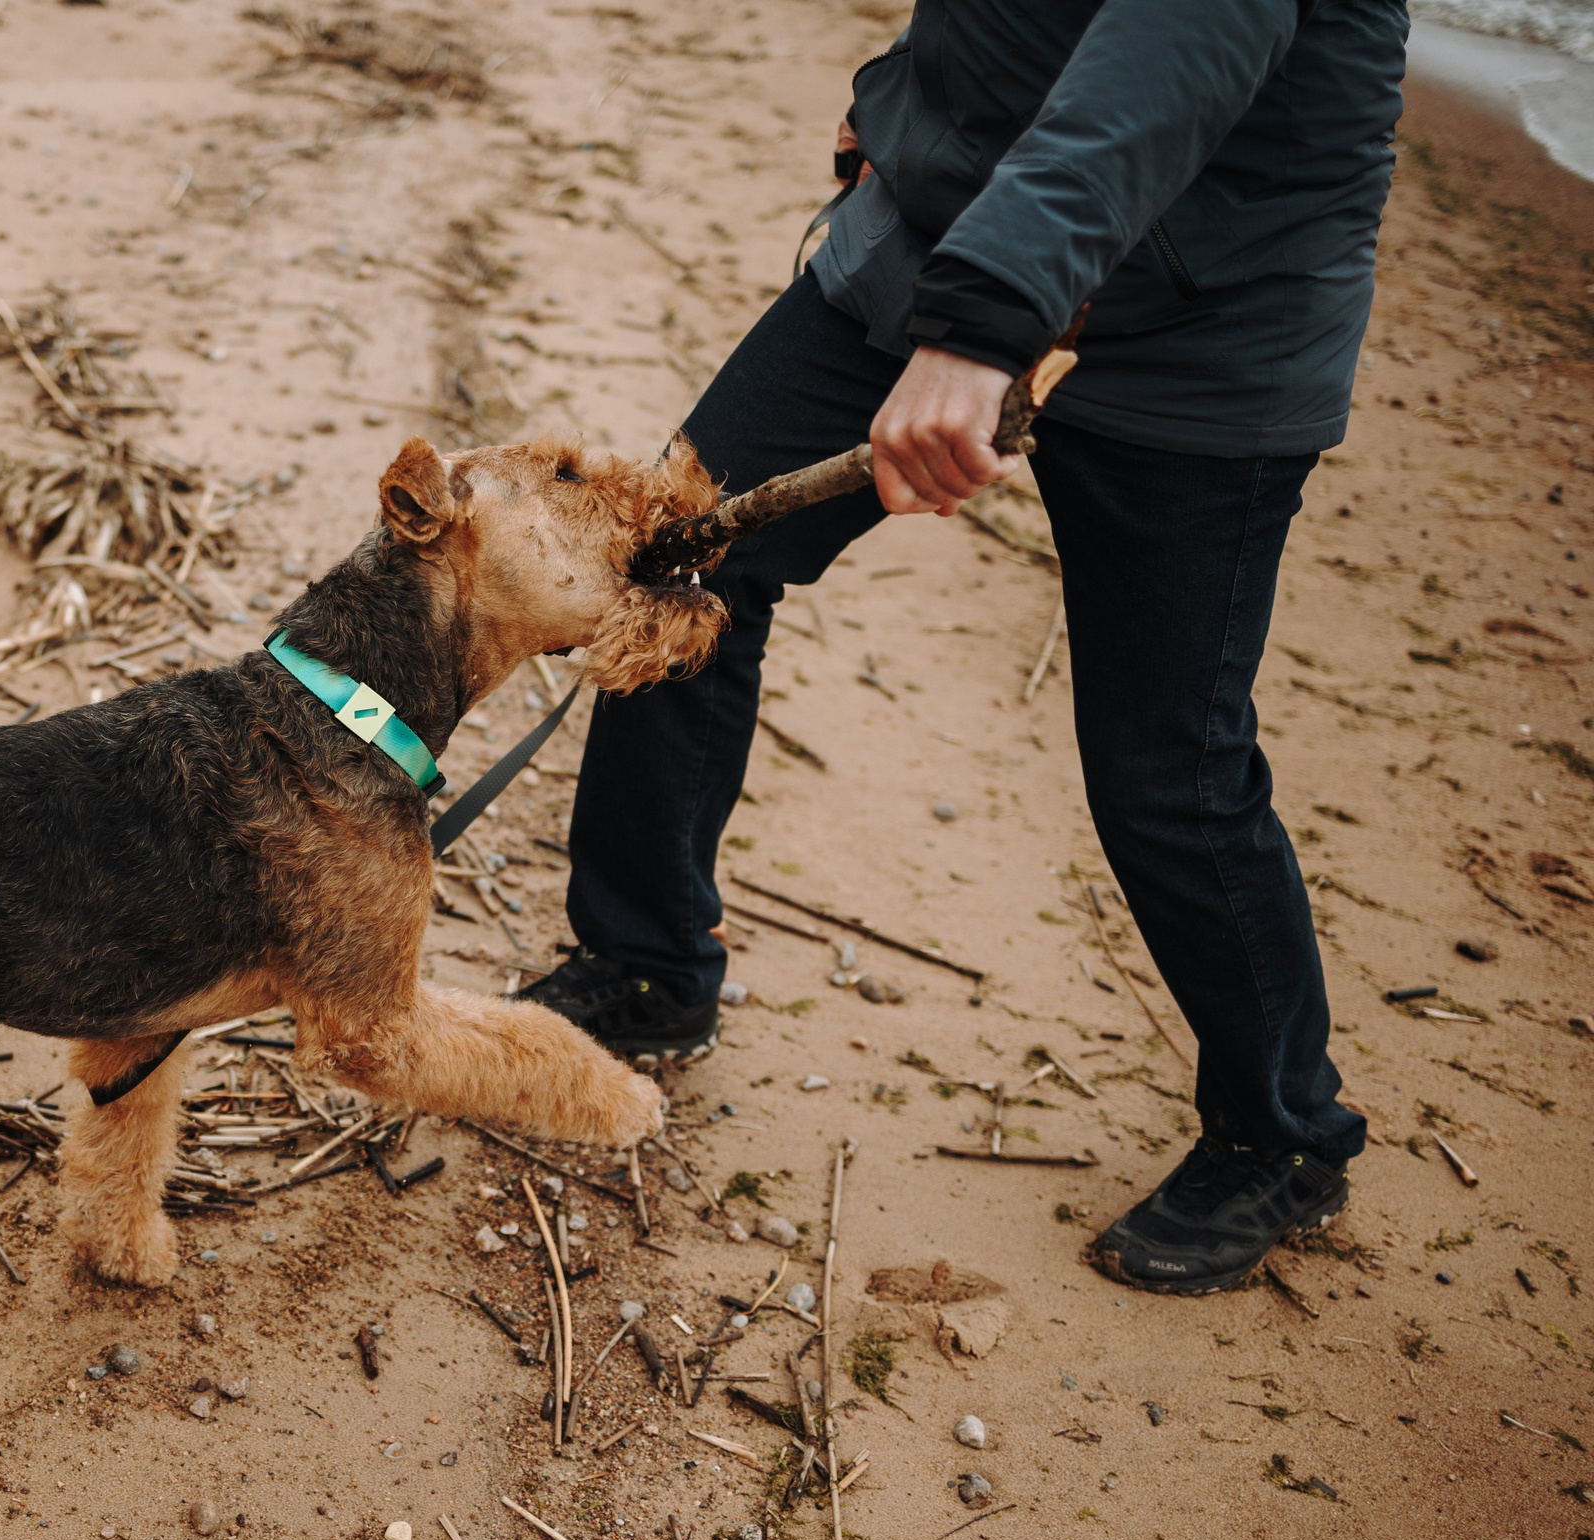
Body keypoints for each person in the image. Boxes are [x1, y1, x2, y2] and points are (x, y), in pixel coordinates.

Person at [518, 0, 1408, 1295]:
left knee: (1169, 765)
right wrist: (901, 107)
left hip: (1204, 323)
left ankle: (1284, 1133)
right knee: (684, 558)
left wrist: (990, 315)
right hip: (942, 241)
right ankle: (647, 964)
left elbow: (1172, 45)